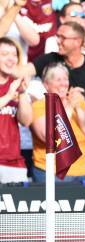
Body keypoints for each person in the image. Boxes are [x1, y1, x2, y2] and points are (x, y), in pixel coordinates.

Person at [30, 63, 85, 183]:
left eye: (65, 79)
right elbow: (51, 137)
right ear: (46, 84)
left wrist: (77, 107)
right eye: (58, 79)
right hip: (53, 173)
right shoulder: (39, 106)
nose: (63, 83)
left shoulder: (78, 103)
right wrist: (70, 107)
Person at [21, 22, 85, 111]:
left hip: (83, 118)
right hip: (52, 116)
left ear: (77, 42)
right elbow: (21, 72)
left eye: (63, 37)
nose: (58, 41)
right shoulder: (50, 58)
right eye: (57, 36)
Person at [0, 36, 31, 184]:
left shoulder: (15, 85)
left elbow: (26, 121)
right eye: (5, 54)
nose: (11, 59)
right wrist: (8, 96)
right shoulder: (10, 91)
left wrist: (23, 93)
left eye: (14, 55)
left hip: (13, 163)